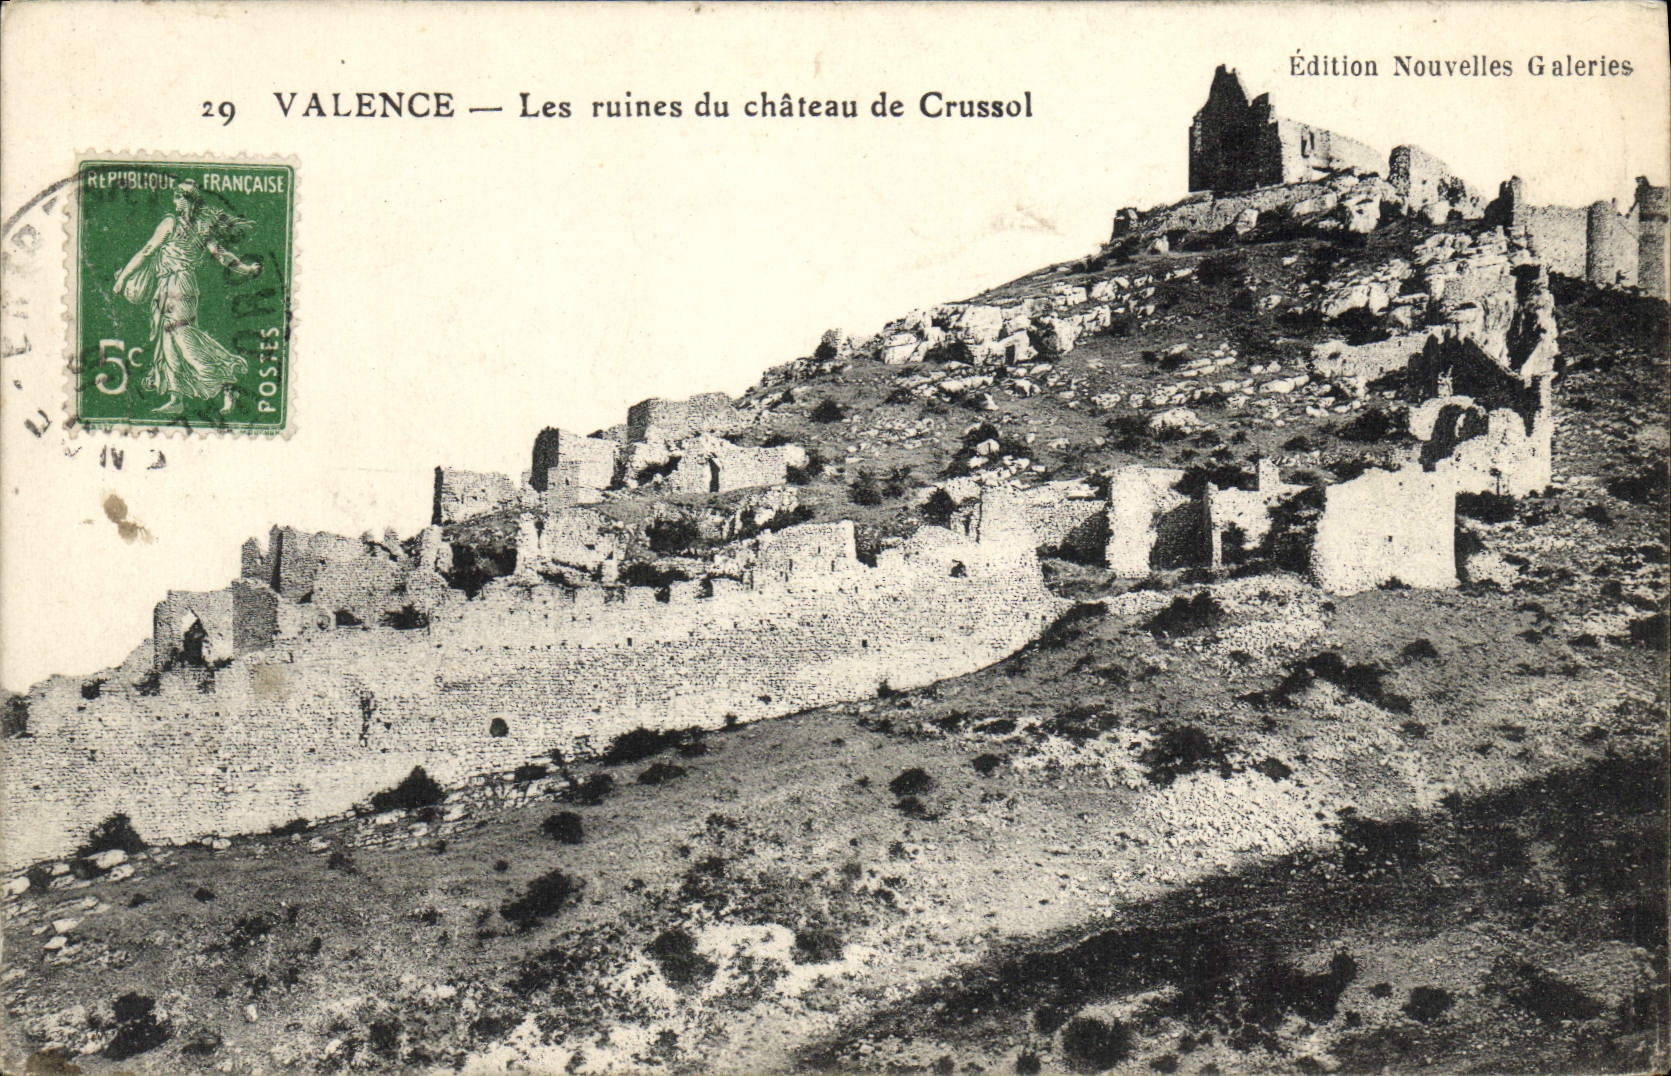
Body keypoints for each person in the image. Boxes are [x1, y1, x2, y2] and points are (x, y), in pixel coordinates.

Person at [112, 180, 262, 414]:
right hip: (175, 286)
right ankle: (176, 398)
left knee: (182, 337)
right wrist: (247, 269)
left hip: (176, 286)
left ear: (184, 200)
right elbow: (222, 256)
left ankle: (226, 377)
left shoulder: (170, 223)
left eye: (177, 197)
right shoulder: (202, 227)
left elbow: (147, 250)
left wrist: (122, 279)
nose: (174, 201)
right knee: (169, 340)